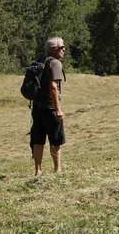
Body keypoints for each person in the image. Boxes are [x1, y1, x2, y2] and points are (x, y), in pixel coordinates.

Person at [30, 36, 67, 176]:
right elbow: (53, 87)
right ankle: (57, 170)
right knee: (55, 139)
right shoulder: (55, 63)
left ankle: (38, 170)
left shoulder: (40, 60)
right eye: (61, 47)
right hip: (50, 108)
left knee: (38, 140)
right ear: (54, 49)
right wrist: (58, 109)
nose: (64, 49)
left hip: (37, 108)